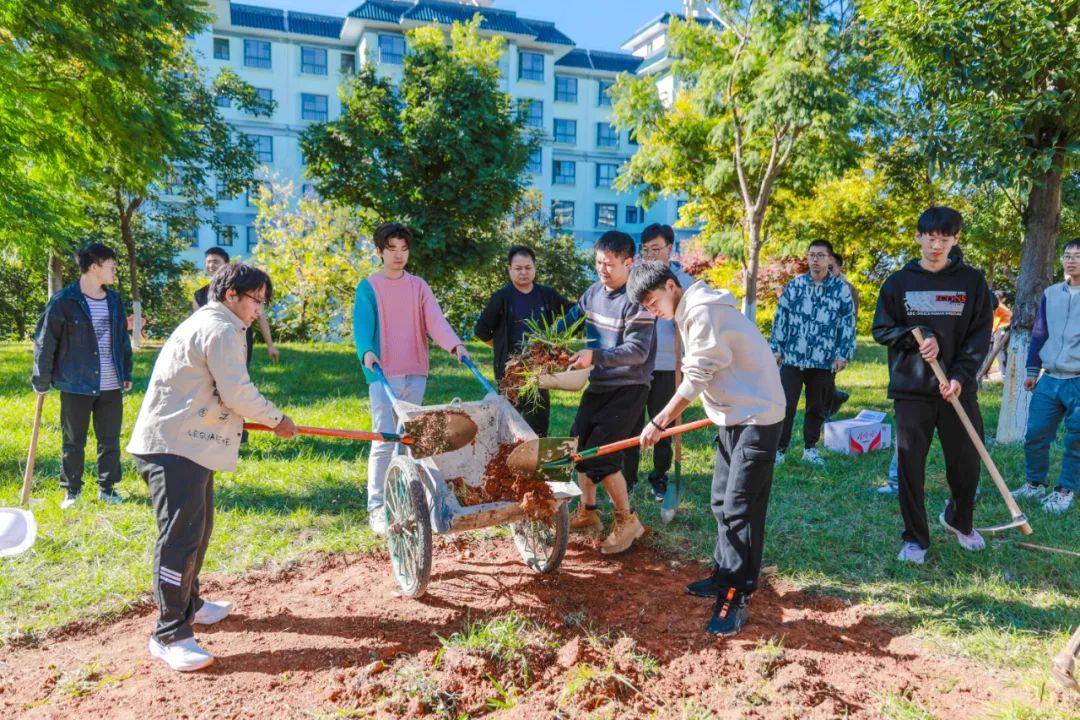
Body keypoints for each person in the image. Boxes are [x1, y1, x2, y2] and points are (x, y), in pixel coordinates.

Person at [126, 263, 299, 672]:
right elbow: (236, 391)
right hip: (172, 447)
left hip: (188, 443)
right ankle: (169, 633)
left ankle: (191, 604)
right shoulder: (219, 328)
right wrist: (277, 419)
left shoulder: (219, 324)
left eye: (263, 302)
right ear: (230, 295)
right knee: (180, 538)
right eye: (256, 300)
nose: (259, 310)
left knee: (199, 529)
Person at [629, 261, 785, 637]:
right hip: (735, 416)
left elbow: (697, 376)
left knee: (740, 512)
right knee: (721, 503)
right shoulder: (691, 310)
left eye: (653, 301)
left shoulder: (703, 312)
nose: (653, 311)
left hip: (757, 418)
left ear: (671, 285)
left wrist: (659, 421)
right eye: (646, 307)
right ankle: (723, 575)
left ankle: (734, 595)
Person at [872, 206, 993, 564]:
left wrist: (959, 377)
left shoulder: (972, 282)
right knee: (910, 467)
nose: (936, 245)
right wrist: (918, 334)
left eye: (944, 238)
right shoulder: (898, 283)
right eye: (930, 237)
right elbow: (882, 329)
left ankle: (960, 520)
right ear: (918, 237)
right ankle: (915, 538)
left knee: (967, 463)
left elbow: (979, 336)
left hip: (957, 389)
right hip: (912, 390)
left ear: (955, 239)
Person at [354, 223, 470, 535]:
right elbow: (361, 328)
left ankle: (403, 497)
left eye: (404, 249)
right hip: (382, 373)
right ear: (380, 252)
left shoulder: (418, 286)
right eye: (392, 249)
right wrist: (367, 352)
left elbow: (436, 321)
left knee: (407, 439)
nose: (399, 255)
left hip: (415, 371)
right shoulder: (369, 287)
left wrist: (455, 345)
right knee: (384, 438)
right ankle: (377, 507)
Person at [560, 230, 655, 555]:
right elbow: (570, 319)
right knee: (578, 447)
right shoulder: (593, 292)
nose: (603, 269)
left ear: (630, 263)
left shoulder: (638, 302)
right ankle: (588, 512)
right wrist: (545, 341)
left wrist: (595, 356)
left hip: (629, 388)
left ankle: (627, 520)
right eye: (599, 262)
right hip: (599, 385)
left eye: (610, 264)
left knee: (603, 455)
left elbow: (638, 352)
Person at [31, 243, 133, 509]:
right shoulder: (64, 301)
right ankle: (72, 491)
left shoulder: (114, 300)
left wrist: (126, 371)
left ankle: (108, 489)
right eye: (111, 266)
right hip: (76, 383)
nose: (115, 271)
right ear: (94, 266)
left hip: (110, 383)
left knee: (109, 439)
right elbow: (45, 342)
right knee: (73, 440)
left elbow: (122, 339)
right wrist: (41, 380)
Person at [769, 240, 856, 465]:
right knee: (785, 405)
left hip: (824, 360)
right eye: (811, 255)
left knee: (816, 407)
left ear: (829, 259)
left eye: (820, 255)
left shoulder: (840, 290)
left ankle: (810, 448)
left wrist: (843, 354)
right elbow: (781, 318)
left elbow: (848, 323)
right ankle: (779, 449)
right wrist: (776, 349)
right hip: (793, 358)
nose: (815, 260)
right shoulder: (795, 286)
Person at [474, 245, 573, 436]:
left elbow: (572, 313)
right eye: (518, 268)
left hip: (539, 371)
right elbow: (482, 330)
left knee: (538, 422)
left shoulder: (547, 295)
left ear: (535, 268)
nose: (523, 272)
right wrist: (501, 347)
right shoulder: (502, 298)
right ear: (509, 269)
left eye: (528, 267)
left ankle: (534, 451)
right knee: (506, 425)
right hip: (510, 372)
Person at [1011, 239, 1080, 514]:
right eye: (1067, 255)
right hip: (1050, 378)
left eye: (1077, 256)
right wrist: (1032, 369)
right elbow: (1040, 333)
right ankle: (1035, 483)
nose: (1071, 260)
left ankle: (1065, 491)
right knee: (1036, 434)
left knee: (1076, 439)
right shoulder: (1051, 294)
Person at [638, 224, 695, 501]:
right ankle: (627, 477)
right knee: (631, 422)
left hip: (666, 364)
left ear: (670, 248)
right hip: (637, 365)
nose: (650, 255)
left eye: (655, 249)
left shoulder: (682, 281)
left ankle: (659, 476)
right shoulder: (636, 280)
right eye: (645, 250)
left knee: (663, 423)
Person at [193, 247, 280, 365]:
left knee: (240, 370)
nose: (211, 265)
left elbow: (261, 317)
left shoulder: (244, 290)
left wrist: (270, 345)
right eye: (208, 262)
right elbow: (199, 324)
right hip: (213, 344)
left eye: (216, 261)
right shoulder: (199, 295)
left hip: (241, 340)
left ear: (227, 265)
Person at [825, 252, 858, 419]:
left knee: (826, 377)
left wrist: (843, 349)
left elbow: (851, 320)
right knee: (821, 378)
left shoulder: (849, 289)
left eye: (831, 268)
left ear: (839, 268)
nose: (827, 271)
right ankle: (836, 397)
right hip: (816, 340)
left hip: (835, 341)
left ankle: (825, 412)